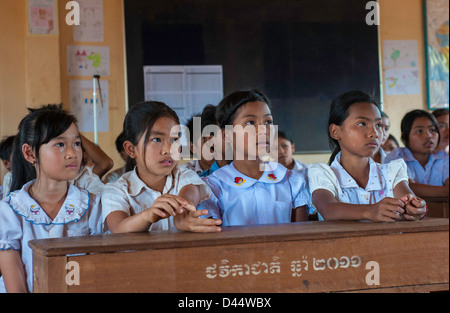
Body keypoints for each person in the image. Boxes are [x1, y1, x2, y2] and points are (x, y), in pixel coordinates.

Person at [0, 104, 103, 293]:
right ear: (30, 153)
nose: (73, 153)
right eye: (60, 144)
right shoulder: (9, 211)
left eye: (77, 143)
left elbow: (97, 273)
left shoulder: (92, 206)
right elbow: (16, 288)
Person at [101, 101, 221, 234]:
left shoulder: (185, 176)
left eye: (175, 139)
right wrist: (148, 216)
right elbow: (118, 228)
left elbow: (189, 194)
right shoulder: (116, 191)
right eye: (157, 139)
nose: (169, 150)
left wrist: (183, 212)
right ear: (131, 149)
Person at [308, 91, 427, 222]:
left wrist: (415, 208)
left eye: (379, 125)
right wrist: (371, 210)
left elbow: (407, 200)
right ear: (335, 132)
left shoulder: (391, 172)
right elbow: (328, 210)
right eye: (362, 124)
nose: (374, 133)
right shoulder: (323, 174)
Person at [198, 90, 310, 226]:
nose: (263, 129)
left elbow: (301, 239)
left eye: (268, 122)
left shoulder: (292, 182)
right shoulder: (213, 187)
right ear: (226, 134)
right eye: (250, 122)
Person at [384, 109, 449, 198]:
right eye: (419, 131)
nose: (428, 135)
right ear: (405, 137)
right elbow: (408, 188)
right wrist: (445, 191)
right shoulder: (396, 158)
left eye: (432, 130)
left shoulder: (442, 157)